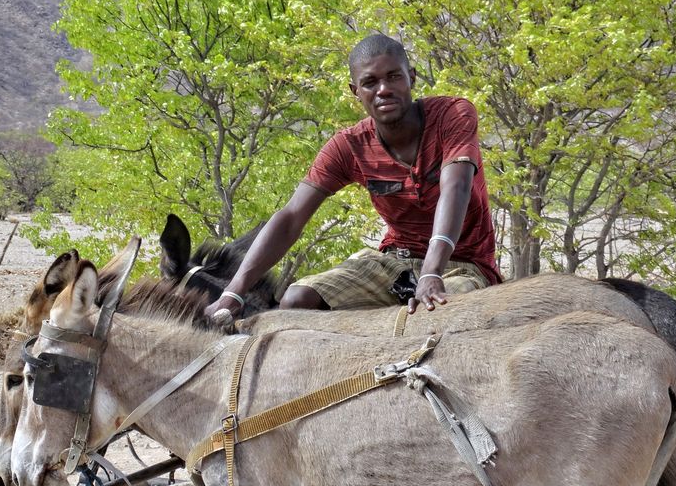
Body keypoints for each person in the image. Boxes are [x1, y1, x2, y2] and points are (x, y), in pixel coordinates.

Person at [204, 34, 501, 322]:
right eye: (370, 82)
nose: (383, 89)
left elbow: (456, 186)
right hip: (393, 262)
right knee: (296, 300)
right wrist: (235, 292)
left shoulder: (453, 114)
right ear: (355, 90)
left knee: (440, 311)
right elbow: (292, 216)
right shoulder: (349, 146)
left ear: (412, 77)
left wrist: (432, 272)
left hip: (461, 266)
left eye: (394, 77)